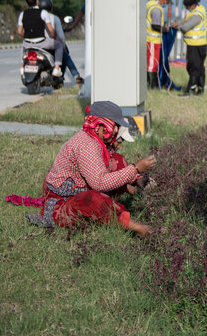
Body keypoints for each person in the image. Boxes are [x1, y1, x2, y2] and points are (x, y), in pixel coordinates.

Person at [28, 101, 156, 236]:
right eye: (115, 126)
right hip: (60, 205)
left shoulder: (95, 141)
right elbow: (99, 184)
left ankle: (112, 207)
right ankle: (138, 228)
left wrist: (134, 177)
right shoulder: (87, 145)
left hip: (77, 192)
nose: (117, 131)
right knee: (91, 199)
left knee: (116, 160)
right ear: (102, 127)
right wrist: (135, 169)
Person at [17, 0, 63, 77]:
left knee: (23, 48)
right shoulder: (43, 13)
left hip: (27, 43)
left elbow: (19, 32)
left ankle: (22, 66)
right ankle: (56, 68)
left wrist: (27, 37)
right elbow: (51, 31)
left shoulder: (22, 14)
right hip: (41, 42)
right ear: (37, 2)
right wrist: (57, 38)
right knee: (59, 45)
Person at [39, 0, 83, 86]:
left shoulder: (35, 16)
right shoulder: (54, 18)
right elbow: (60, 35)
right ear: (50, 7)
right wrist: (62, 45)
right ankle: (76, 76)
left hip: (36, 43)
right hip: (50, 44)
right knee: (65, 56)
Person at [175, 0, 207, 95]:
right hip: (199, 44)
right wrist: (177, 23)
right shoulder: (197, 10)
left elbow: (186, 27)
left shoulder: (197, 15)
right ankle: (200, 88)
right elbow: (186, 19)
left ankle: (190, 90)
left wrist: (178, 27)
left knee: (193, 68)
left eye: (187, 7)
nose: (186, 9)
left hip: (196, 46)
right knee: (199, 67)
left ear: (192, 5)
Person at [145, 0, 172, 89]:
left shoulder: (150, 3)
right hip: (153, 40)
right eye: (167, 2)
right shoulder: (156, 9)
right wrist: (165, 29)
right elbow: (155, 26)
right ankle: (152, 85)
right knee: (152, 63)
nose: (167, 4)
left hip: (149, 39)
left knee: (149, 62)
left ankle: (150, 84)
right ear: (163, 0)